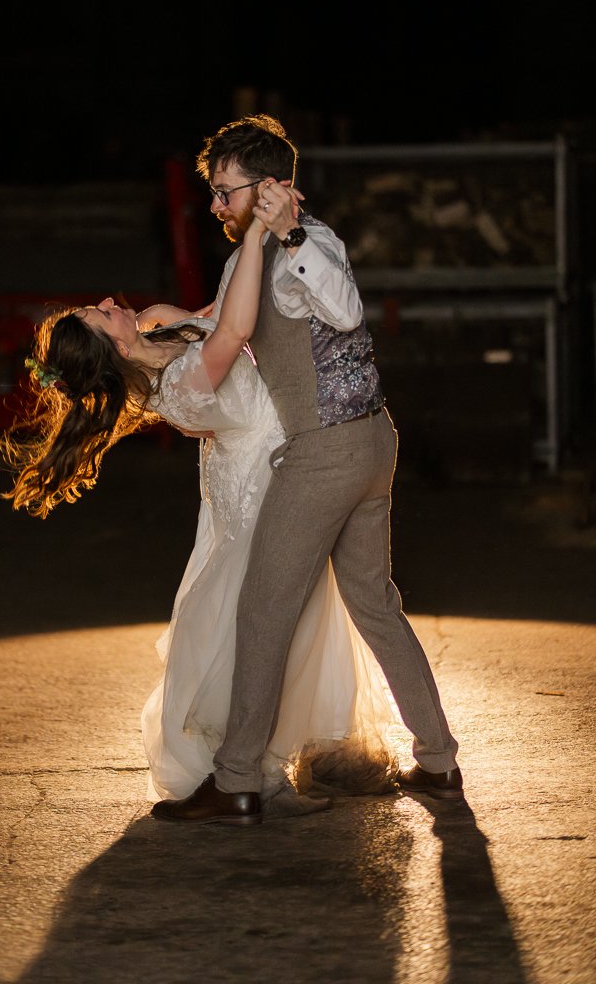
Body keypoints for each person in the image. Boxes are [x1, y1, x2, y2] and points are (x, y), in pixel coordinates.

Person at [0, 198, 398, 825]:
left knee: (283, 625)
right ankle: (244, 772)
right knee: (254, 627)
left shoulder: (165, 347)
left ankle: (251, 764)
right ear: (114, 348)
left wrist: (182, 315)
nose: (110, 302)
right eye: (102, 315)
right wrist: (260, 229)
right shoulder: (178, 384)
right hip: (265, 490)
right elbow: (237, 330)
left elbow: (227, 320)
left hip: (269, 476)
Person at [149, 113, 463, 827]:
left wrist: (287, 233)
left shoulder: (308, 241)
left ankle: (234, 782)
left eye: (227, 192)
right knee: (375, 604)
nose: (217, 206)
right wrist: (176, 321)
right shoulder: (249, 256)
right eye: (216, 193)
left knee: (263, 610)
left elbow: (346, 312)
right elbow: (232, 320)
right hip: (368, 444)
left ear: (271, 189)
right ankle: (440, 762)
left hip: (327, 453)